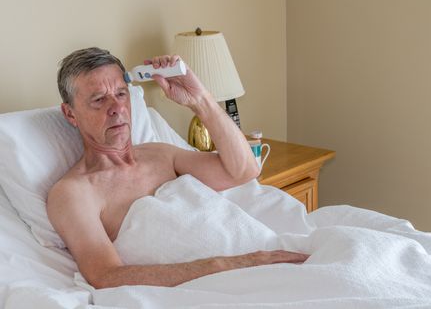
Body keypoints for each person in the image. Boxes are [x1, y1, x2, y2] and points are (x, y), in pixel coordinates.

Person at [46, 47, 309, 289]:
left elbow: (244, 171)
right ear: (70, 114)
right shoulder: (74, 193)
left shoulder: (160, 154)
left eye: (121, 94)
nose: (116, 108)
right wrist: (229, 265)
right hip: (225, 280)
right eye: (99, 100)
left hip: (262, 256)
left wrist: (200, 100)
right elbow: (106, 276)